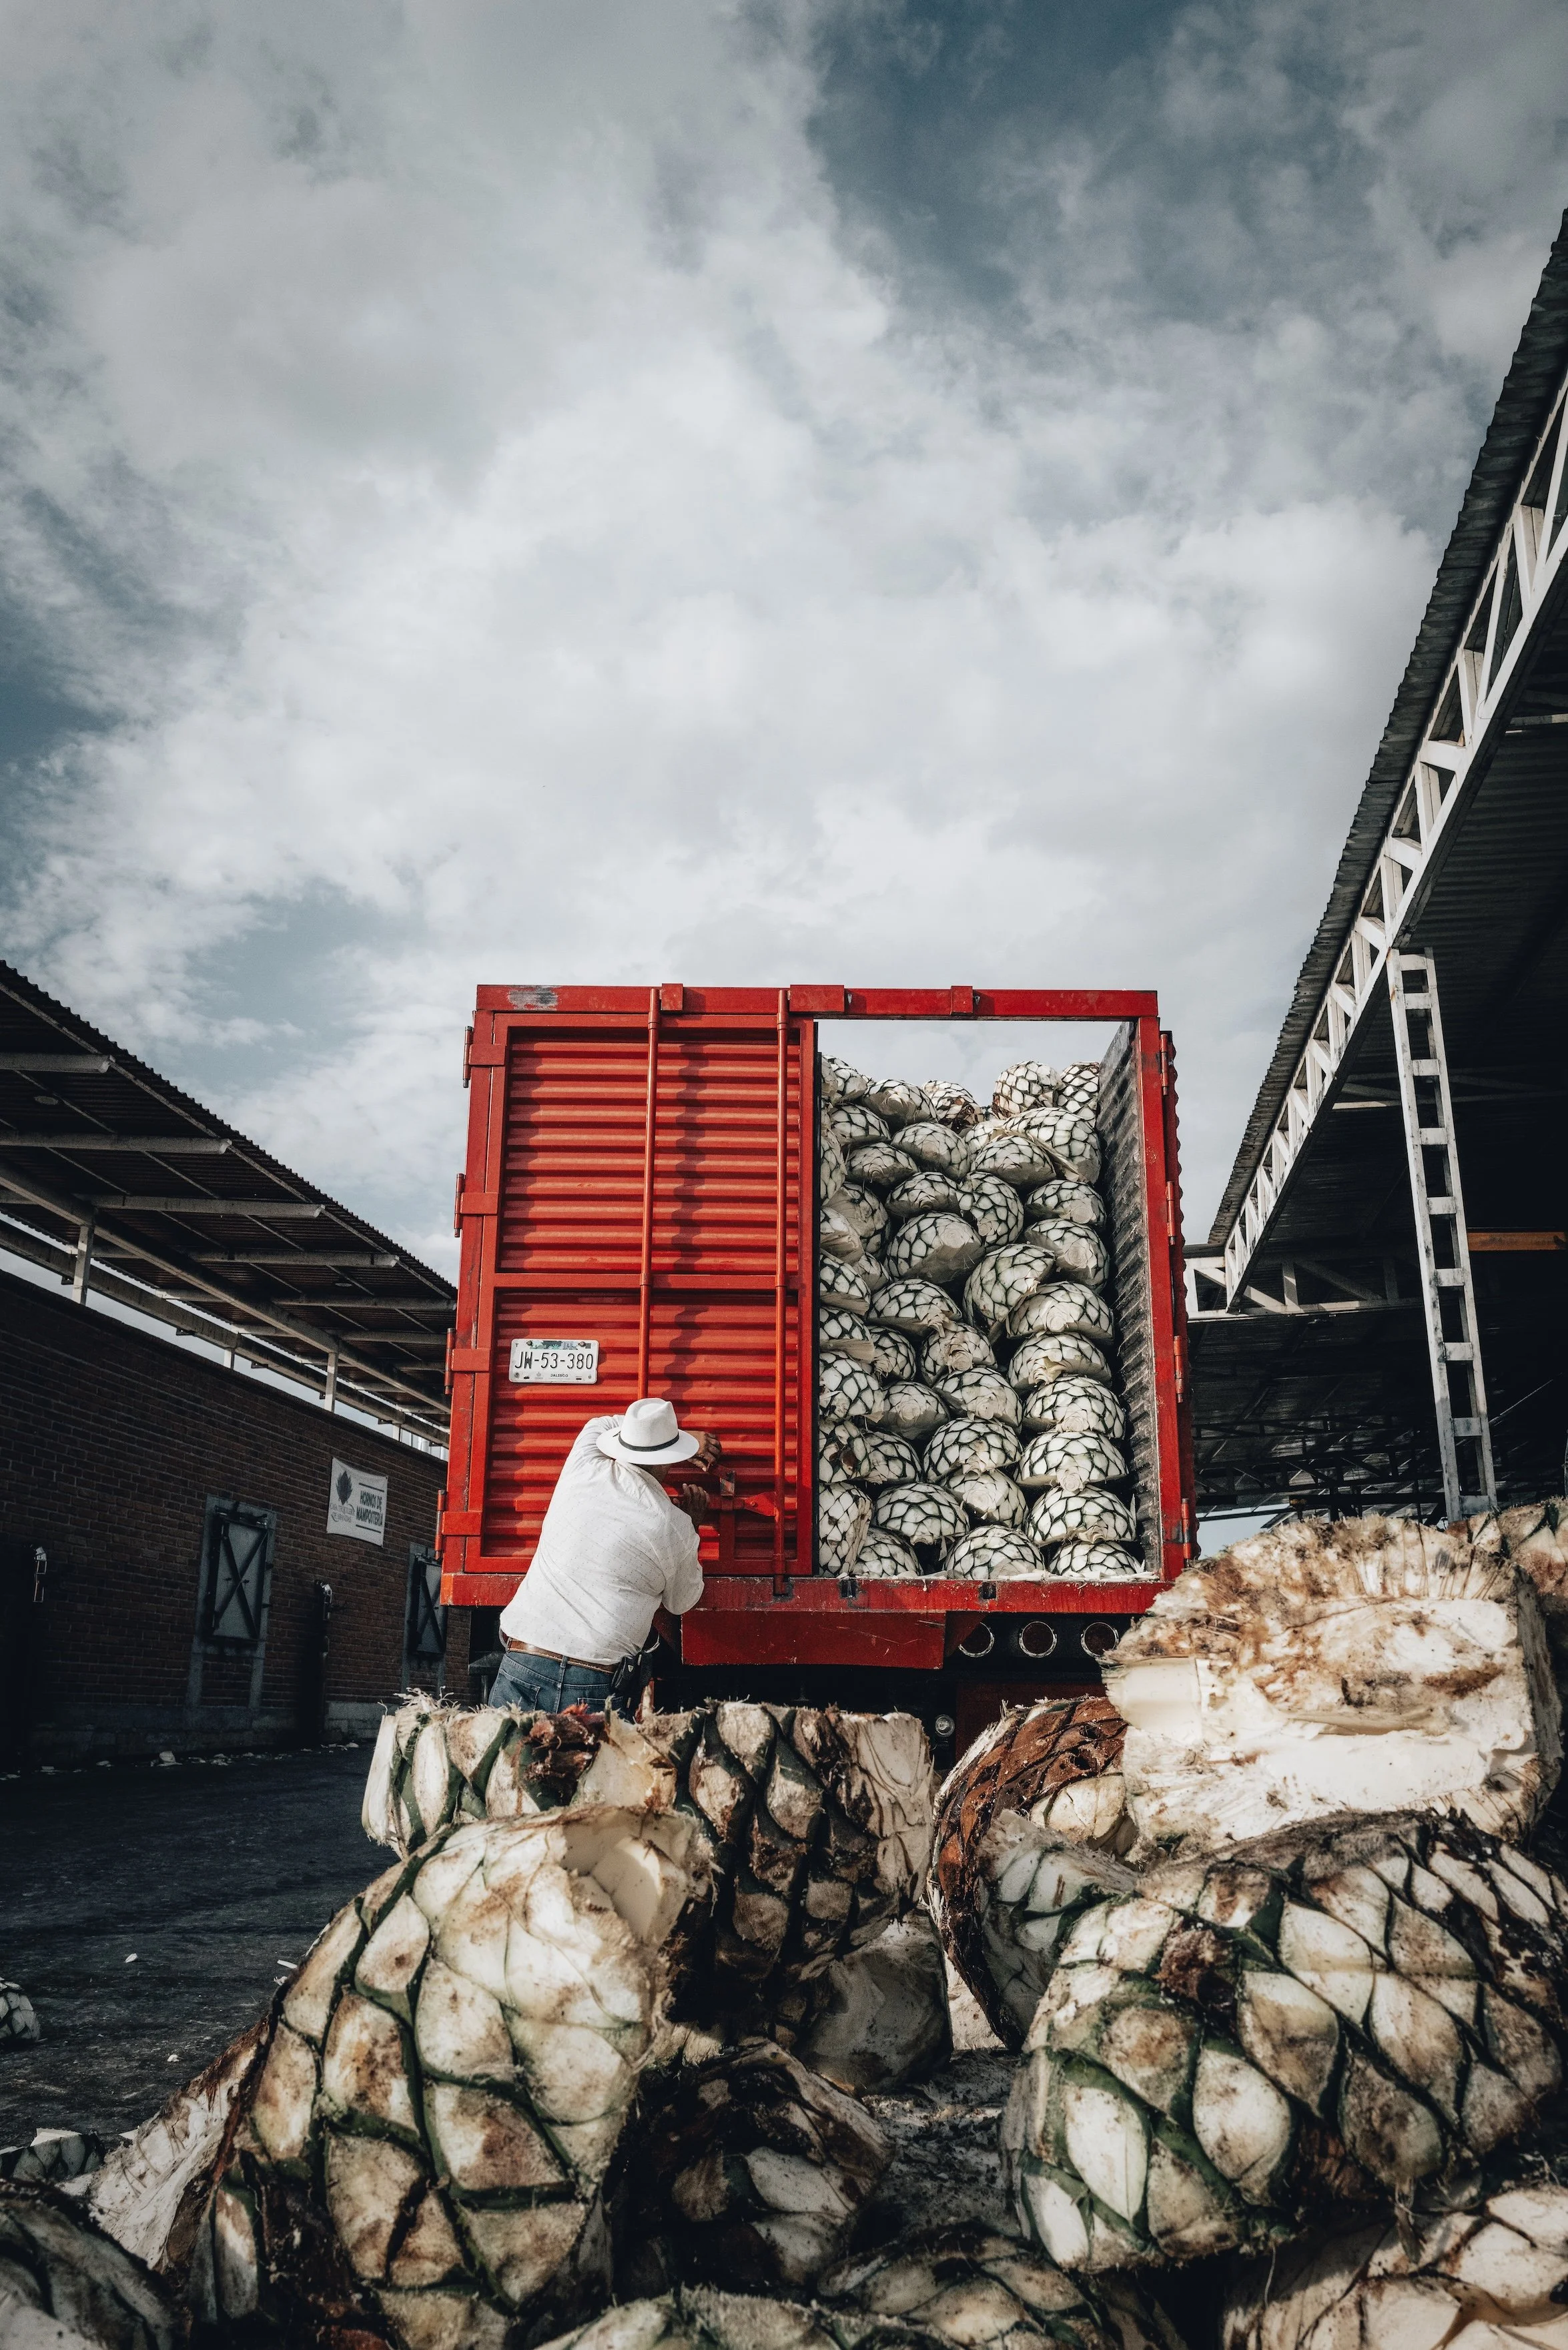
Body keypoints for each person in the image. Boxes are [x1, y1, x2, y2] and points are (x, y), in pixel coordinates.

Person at [491, 1397, 720, 1714]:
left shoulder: (583, 1465)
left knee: (508, 1763)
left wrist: (682, 1435)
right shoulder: (674, 1526)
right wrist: (692, 1526)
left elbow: (599, 1424)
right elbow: (681, 1602)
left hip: (522, 1660)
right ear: (671, 1459)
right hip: (594, 1681)